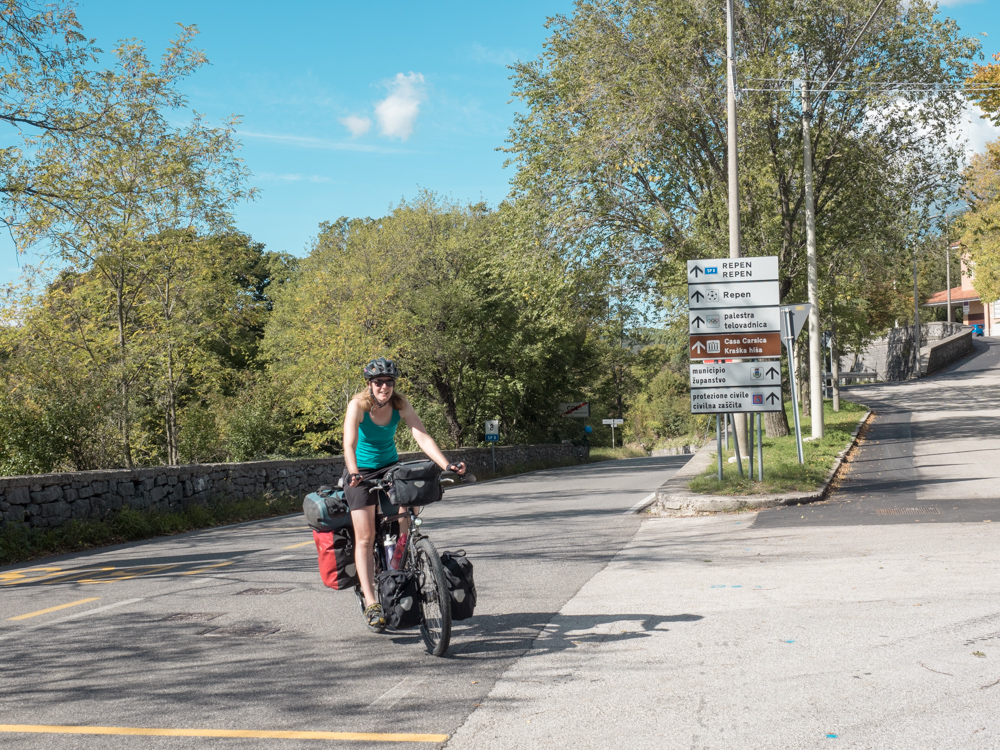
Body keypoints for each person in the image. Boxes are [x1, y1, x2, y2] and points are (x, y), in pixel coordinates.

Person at [342, 357, 465, 630]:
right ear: (370, 385)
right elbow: (349, 443)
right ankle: (372, 602)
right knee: (365, 536)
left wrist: (447, 464)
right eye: (378, 382)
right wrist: (353, 472)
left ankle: (400, 568)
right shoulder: (358, 405)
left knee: (406, 518)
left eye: (388, 382)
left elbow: (421, 435)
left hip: (390, 469)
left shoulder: (400, 404)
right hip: (359, 472)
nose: (384, 387)